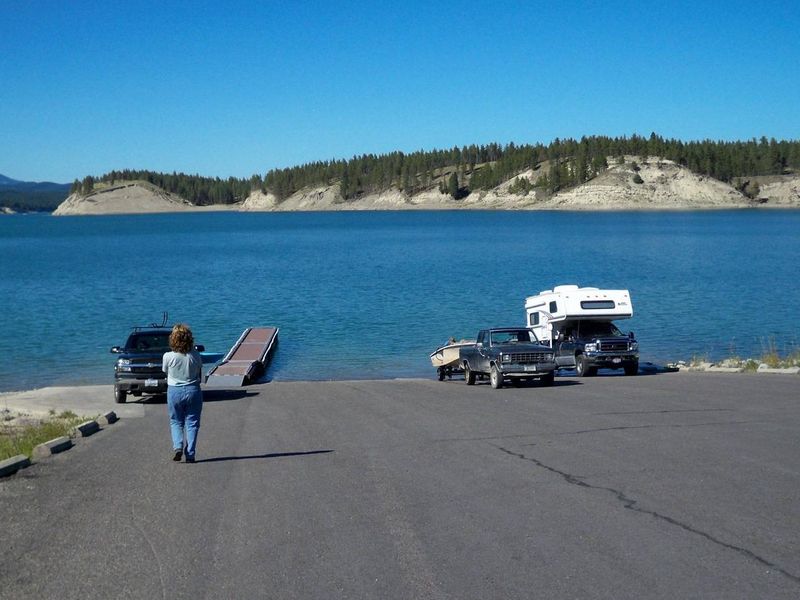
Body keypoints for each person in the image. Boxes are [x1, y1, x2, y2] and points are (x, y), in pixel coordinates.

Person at [162, 323, 204, 463]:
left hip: (174, 390)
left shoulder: (168, 356)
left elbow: (165, 371)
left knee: (176, 421)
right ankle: (190, 454)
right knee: (192, 422)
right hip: (193, 389)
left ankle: (178, 446)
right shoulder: (195, 354)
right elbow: (199, 371)